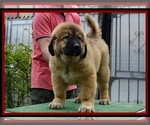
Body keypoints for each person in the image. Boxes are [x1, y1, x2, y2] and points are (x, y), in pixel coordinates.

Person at [30, 5, 81, 105]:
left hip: (70, 85)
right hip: (46, 86)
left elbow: (80, 46)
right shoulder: (42, 15)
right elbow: (46, 51)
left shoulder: (74, 16)